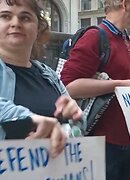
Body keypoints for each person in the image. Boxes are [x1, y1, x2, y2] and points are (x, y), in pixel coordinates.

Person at [60, 0, 130, 179]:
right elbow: (68, 86)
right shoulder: (96, 37)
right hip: (105, 145)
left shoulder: (127, 41)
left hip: (129, 143)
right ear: (125, 4)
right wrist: (118, 85)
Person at [0, 0, 82, 157]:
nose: (15, 23)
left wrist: (75, 117)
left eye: (25, 18)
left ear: (39, 28)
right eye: (5, 16)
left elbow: (77, 129)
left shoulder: (49, 75)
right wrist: (28, 119)